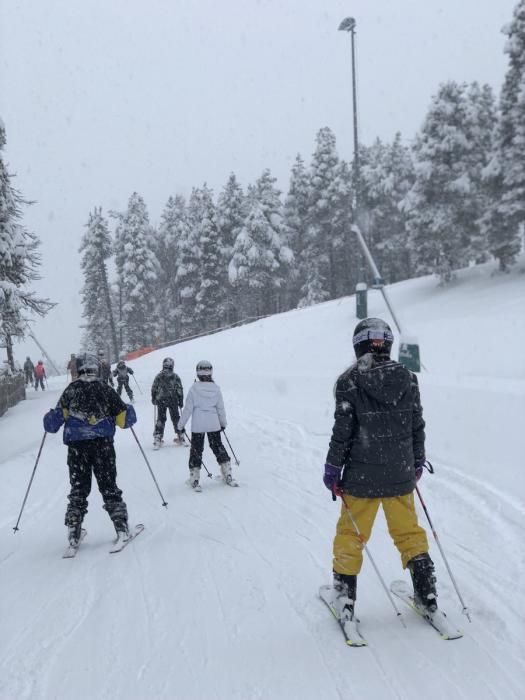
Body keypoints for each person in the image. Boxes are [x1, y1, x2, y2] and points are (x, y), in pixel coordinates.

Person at [323, 317, 436, 624]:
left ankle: (345, 599)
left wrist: (333, 469)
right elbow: (417, 423)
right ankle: (427, 595)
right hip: (399, 474)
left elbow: (343, 431)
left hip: (361, 479)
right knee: (409, 532)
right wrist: (416, 461)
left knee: (351, 534)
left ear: (359, 344)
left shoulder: (349, 381)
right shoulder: (407, 378)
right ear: (387, 344)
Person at [43, 353, 136, 546]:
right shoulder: (106, 389)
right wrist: (128, 412)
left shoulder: (71, 390)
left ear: (79, 370)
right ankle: (121, 526)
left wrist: (50, 418)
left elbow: (54, 423)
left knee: (79, 487)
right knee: (109, 486)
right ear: (96, 370)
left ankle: (74, 531)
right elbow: (124, 420)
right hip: (103, 446)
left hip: (78, 448)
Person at [177, 360, 236, 489]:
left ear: (198, 373)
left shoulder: (194, 389)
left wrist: (180, 426)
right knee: (217, 446)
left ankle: (195, 477)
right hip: (213, 424)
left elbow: (187, 410)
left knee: (196, 450)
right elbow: (220, 409)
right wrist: (223, 423)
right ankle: (227, 472)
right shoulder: (216, 389)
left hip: (198, 425)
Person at [151, 357, 184, 448]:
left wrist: (154, 398)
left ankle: (158, 436)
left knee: (161, 418)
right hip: (173, 400)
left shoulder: (159, 376)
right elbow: (179, 389)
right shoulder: (175, 376)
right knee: (176, 417)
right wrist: (180, 400)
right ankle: (180, 434)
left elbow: (154, 388)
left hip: (161, 400)